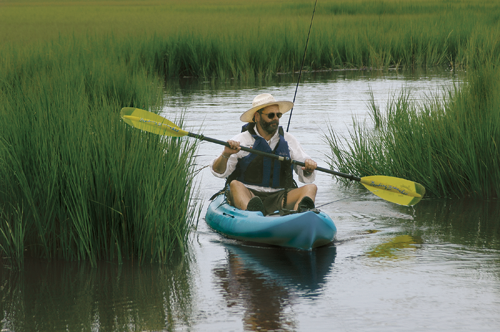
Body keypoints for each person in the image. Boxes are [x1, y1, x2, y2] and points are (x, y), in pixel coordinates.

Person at [210, 93, 318, 216]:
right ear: (257, 117)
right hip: (249, 194)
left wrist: (308, 168)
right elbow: (218, 171)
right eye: (271, 115)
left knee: (311, 188)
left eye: (278, 115)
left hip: (281, 196)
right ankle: (253, 214)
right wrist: (226, 154)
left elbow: (304, 170)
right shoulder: (241, 140)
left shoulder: (289, 140)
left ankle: (302, 216)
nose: (276, 119)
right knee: (235, 185)